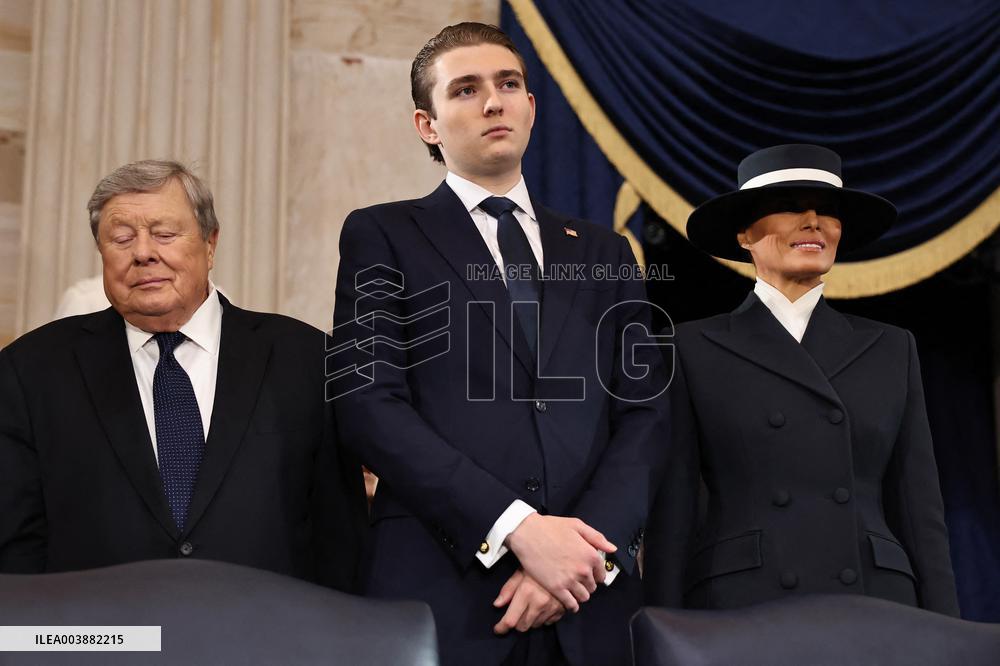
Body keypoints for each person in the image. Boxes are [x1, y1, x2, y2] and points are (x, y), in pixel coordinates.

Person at [330, 22, 667, 666]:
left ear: (531, 108)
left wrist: (577, 561)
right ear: (427, 125)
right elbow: (368, 404)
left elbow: (645, 418)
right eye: (465, 90)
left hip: (590, 605)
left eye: (508, 84)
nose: (493, 101)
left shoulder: (605, 252)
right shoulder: (383, 234)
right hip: (446, 597)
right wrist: (516, 529)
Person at [0, 160, 366, 592]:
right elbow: (16, 550)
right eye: (121, 239)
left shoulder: (306, 359)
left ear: (210, 244)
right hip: (103, 645)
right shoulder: (32, 369)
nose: (143, 253)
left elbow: (341, 537)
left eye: (164, 234)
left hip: (266, 642)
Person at [643, 144, 959, 615]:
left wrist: (945, 636)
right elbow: (674, 509)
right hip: (745, 606)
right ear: (745, 235)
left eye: (828, 211)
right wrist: (661, 631)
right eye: (791, 207)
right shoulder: (690, 348)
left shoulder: (893, 348)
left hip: (875, 607)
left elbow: (919, 511)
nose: (813, 221)